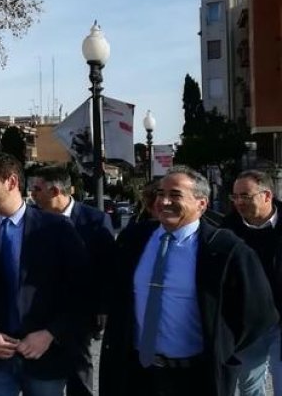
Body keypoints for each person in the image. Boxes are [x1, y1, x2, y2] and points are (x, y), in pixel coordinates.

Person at [98, 167, 277, 396]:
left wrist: (221, 345)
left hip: (195, 376)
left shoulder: (225, 249)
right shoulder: (134, 239)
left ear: (201, 204)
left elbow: (259, 313)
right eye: (161, 194)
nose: (164, 201)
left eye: (175, 195)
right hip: (136, 373)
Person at [0, 152, 88, 396]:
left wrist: (50, 334)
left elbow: (81, 293)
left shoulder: (56, 228)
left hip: (46, 358)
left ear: (12, 182)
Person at [27, 166, 116, 396]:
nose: (32, 195)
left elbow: (107, 267)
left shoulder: (94, 220)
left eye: (37, 189)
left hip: (80, 307)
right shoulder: (31, 218)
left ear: (55, 191)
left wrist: (103, 306)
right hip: (40, 309)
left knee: (79, 363)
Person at [220, 170, 282, 396]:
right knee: (249, 386)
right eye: (235, 196)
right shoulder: (226, 231)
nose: (238, 202)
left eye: (245, 196)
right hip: (249, 323)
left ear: (267, 196)